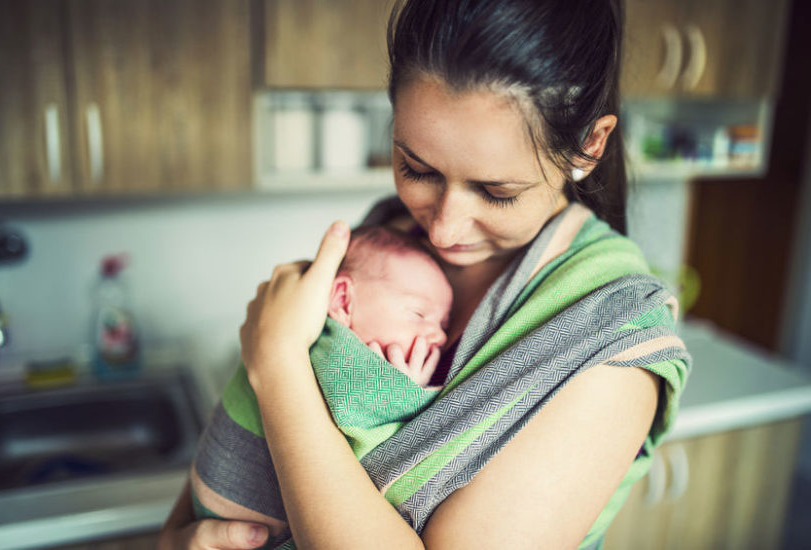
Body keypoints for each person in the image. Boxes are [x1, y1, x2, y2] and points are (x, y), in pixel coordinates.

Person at [159, 0, 691, 548]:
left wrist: (275, 365)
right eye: (417, 168)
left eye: (495, 192)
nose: (442, 230)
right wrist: (176, 541)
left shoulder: (614, 341)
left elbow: (279, 383)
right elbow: (226, 465)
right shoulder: (387, 228)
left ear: (589, 145)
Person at [189, 226, 452, 546]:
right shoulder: (339, 349)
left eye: (443, 324)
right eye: (419, 313)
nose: (438, 335)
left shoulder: (296, 327)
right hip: (246, 516)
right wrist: (404, 391)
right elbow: (364, 427)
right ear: (343, 300)